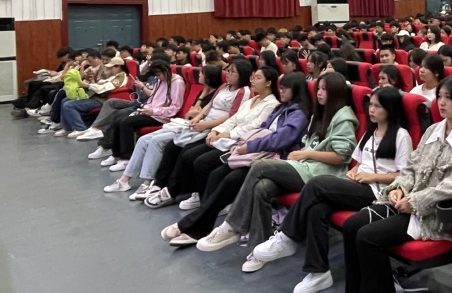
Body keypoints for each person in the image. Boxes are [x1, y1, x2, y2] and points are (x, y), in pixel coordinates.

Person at [335, 75, 452, 293]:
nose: (441, 102)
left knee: (368, 237)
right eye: (439, 97)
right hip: (405, 201)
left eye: (448, 98)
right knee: (352, 225)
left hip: (431, 213)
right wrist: (399, 188)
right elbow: (412, 168)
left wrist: (415, 201)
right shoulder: (434, 130)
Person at [246, 88, 412, 293]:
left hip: (378, 192)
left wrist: (372, 177)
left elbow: (404, 175)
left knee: (317, 184)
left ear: (390, 108)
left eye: (377, 106)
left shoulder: (401, 136)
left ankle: (288, 236)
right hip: (358, 185)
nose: (371, 110)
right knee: (316, 209)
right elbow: (359, 163)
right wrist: (353, 172)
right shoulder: (371, 132)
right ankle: (318, 272)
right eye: (370, 105)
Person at [156, 72, 310, 243]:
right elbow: (261, 128)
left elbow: (280, 139)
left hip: (271, 157)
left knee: (230, 179)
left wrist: (249, 145)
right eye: (280, 87)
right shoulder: (281, 107)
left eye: (285, 88)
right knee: (216, 174)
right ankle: (201, 222)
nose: (281, 91)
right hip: (255, 151)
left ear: (296, 90)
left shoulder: (298, 114)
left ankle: (195, 226)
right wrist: (242, 143)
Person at [102, 64, 226, 195]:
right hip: (183, 123)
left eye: (202, 73)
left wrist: (194, 113)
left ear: (209, 77)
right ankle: (124, 179)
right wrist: (200, 100)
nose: (199, 75)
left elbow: (192, 114)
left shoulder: (214, 95)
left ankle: (147, 182)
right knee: (143, 139)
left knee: (154, 140)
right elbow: (189, 114)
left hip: (188, 125)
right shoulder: (202, 92)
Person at [99, 61, 186, 169]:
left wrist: (153, 111)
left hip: (162, 116)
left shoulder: (177, 82)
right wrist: (146, 107)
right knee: (118, 120)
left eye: (159, 75)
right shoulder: (161, 80)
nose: (158, 78)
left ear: (166, 71)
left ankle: (126, 158)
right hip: (150, 111)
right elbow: (154, 96)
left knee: (126, 123)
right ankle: (116, 154)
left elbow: (175, 107)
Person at [58, 57, 128, 138]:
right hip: (95, 96)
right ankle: (67, 128)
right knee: (65, 100)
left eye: (110, 68)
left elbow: (104, 88)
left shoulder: (120, 78)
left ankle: (80, 128)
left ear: (118, 67)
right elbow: (100, 84)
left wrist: (88, 85)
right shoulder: (113, 76)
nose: (108, 70)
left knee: (69, 105)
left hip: (102, 99)